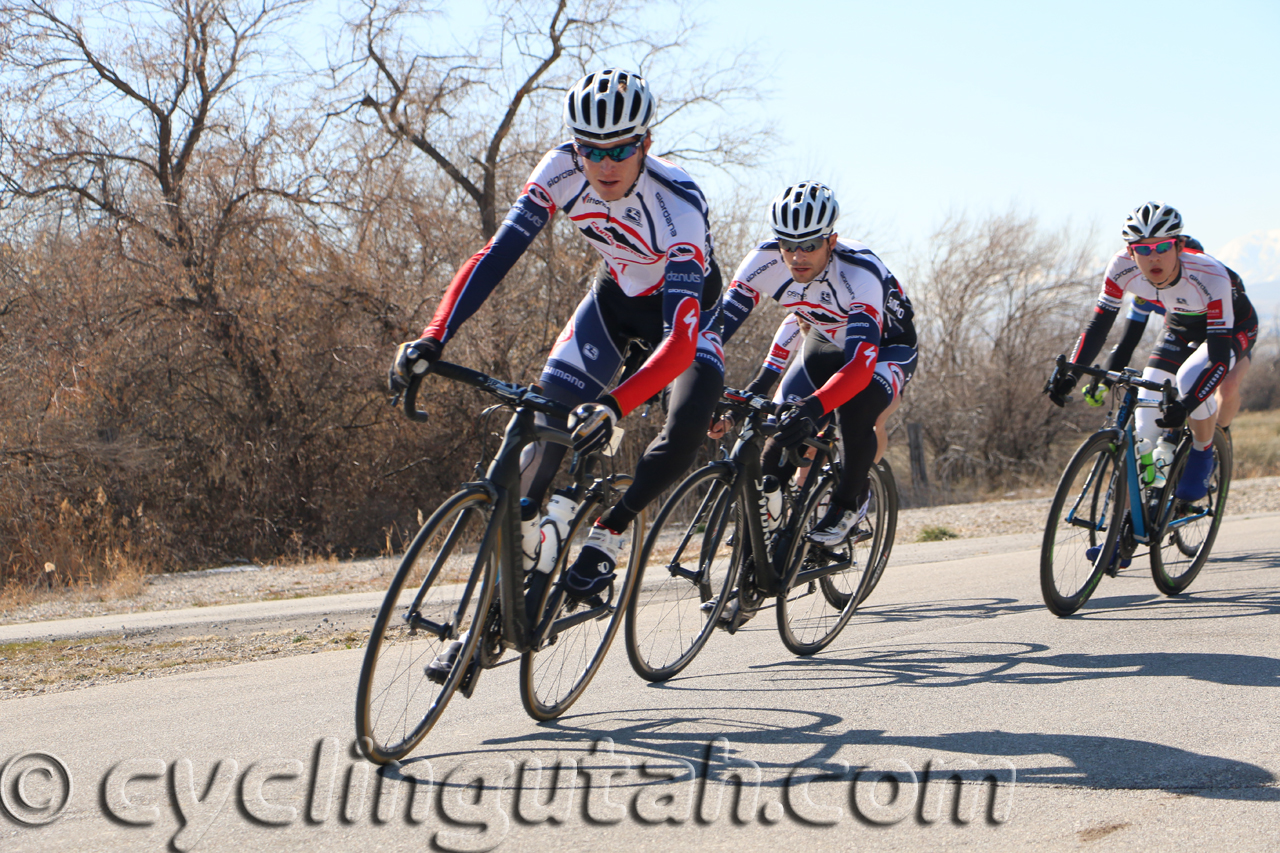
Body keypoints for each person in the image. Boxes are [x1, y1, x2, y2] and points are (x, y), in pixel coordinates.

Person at [389, 68, 724, 612]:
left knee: (684, 428)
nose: (605, 164)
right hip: (612, 303)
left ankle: (609, 533)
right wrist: (434, 337)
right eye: (591, 149)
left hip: (680, 317)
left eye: (622, 148)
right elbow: (495, 257)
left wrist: (614, 406)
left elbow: (681, 343)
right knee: (545, 424)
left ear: (647, 143)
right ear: (575, 145)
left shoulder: (679, 205)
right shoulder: (561, 168)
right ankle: (508, 586)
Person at [717, 181, 917, 546]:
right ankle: (767, 529)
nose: (797, 257)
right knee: (780, 428)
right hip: (825, 341)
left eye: (809, 245)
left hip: (886, 348)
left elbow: (858, 366)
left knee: (855, 409)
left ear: (831, 241)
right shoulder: (764, 262)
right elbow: (713, 330)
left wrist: (815, 406)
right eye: (788, 245)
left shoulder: (859, 274)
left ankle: (846, 504)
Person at [1045, 202, 1258, 501]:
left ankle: (1202, 453)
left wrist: (1186, 405)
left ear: (1180, 245)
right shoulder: (1121, 267)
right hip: (1179, 326)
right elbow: (1098, 328)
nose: (1153, 256)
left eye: (1162, 247)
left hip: (1232, 325)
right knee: (1145, 420)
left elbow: (1219, 358)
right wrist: (1072, 374)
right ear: (1131, 252)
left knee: (1189, 379)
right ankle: (1133, 521)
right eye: (1143, 249)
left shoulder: (1209, 274)